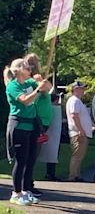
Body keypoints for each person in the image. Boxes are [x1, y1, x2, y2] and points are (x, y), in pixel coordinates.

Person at [4, 58, 49, 205]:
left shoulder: (28, 83)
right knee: (21, 160)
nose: (29, 67)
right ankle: (15, 193)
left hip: (31, 126)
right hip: (18, 126)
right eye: (25, 65)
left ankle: (26, 190)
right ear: (18, 70)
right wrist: (37, 89)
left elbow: (47, 88)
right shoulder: (13, 86)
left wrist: (42, 81)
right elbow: (26, 100)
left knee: (30, 160)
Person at [24, 53, 53, 196]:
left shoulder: (39, 79)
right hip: (37, 120)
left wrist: (43, 81)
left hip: (43, 121)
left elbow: (49, 87)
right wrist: (39, 84)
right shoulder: (30, 82)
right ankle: (26, 184)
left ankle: (28, 182)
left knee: (34, 154)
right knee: (31, 154)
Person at [66, 81, 93, 182]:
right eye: (81, 89)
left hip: (79, 131)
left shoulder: (76, 101)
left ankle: (77, 174)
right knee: (77, 155)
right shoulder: (75, 101)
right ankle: (73, 175)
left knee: (79, 155)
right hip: (77, 132)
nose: (83, 91)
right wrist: (80, 130)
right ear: (76, 89)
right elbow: (74, 115)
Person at [37, 94, 62, 182]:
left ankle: (50, 173)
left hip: (49, 134)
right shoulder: (53, 110)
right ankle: (50, 173)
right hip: (52, 136)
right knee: (52, 153)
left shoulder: (47, 109)